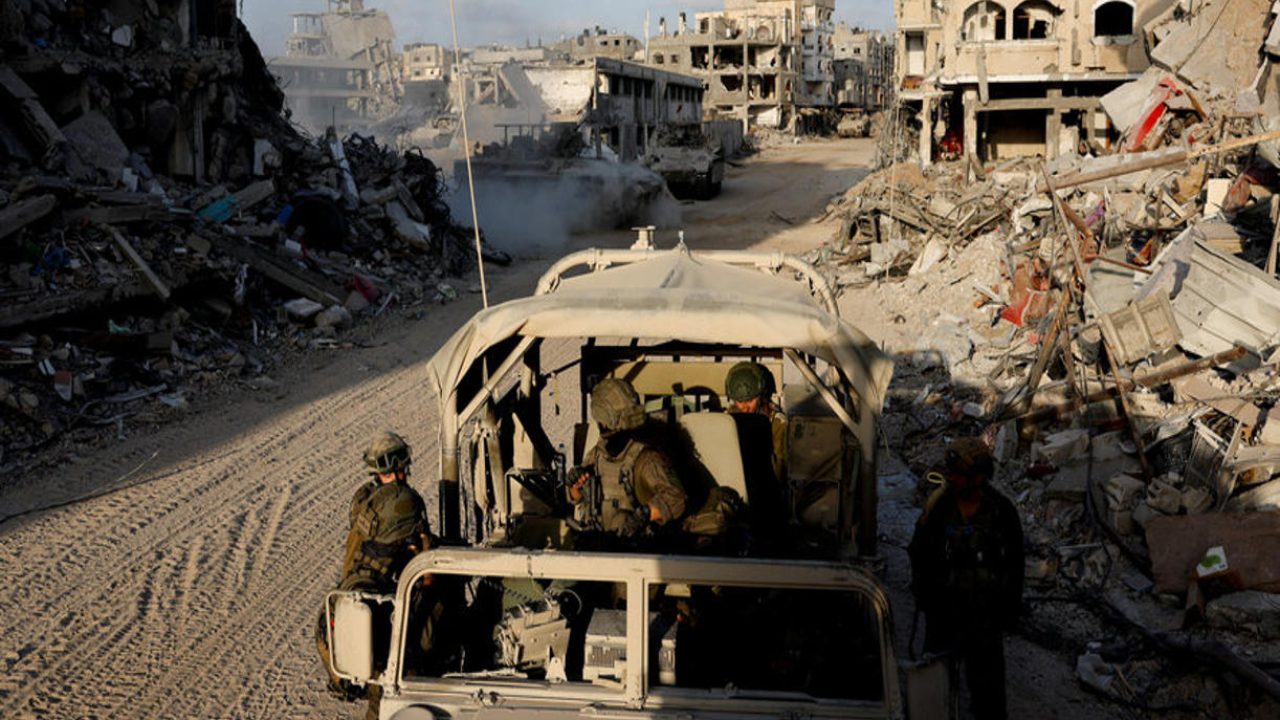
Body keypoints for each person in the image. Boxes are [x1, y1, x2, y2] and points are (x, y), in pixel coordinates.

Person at [317, 431, 431, 720]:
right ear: (397, 466)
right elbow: (421, 554)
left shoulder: (365, 496)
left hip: (350, 591)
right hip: (376, 599)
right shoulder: (404, 501)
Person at [908, 437, 1024, 720]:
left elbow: (1014, 565)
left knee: (988, 695)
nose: (951, 479)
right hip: (943, 614)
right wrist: (925, 594)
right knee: (934, 689)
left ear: (978, 478)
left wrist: (1007, 612)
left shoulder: (1001, 512)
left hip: (983, 619)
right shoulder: (940, 507)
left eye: (958, 475)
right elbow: (919, 550)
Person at [568, 378, 687, 543]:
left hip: (637, 554)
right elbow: (577, 497)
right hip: (597, 546)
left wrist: (643, 515)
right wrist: (575, 484)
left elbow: (676, 499)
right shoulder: (599, 453)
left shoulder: (646, 458)